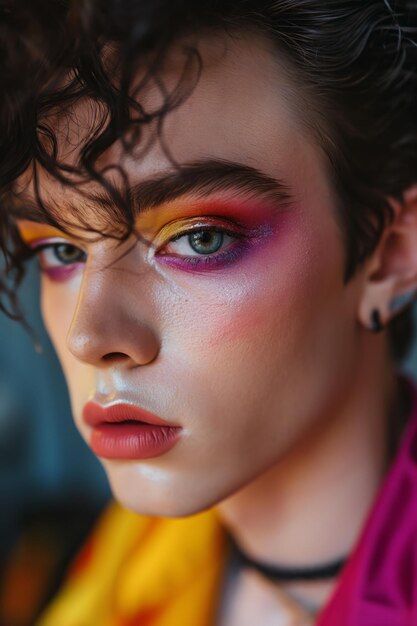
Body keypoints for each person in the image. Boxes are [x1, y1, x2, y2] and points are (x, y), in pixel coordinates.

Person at [1, 0, 417, 624]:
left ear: (389, 254)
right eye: (62, 249)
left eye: (200, 237)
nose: (91, 336)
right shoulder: (112, 567)